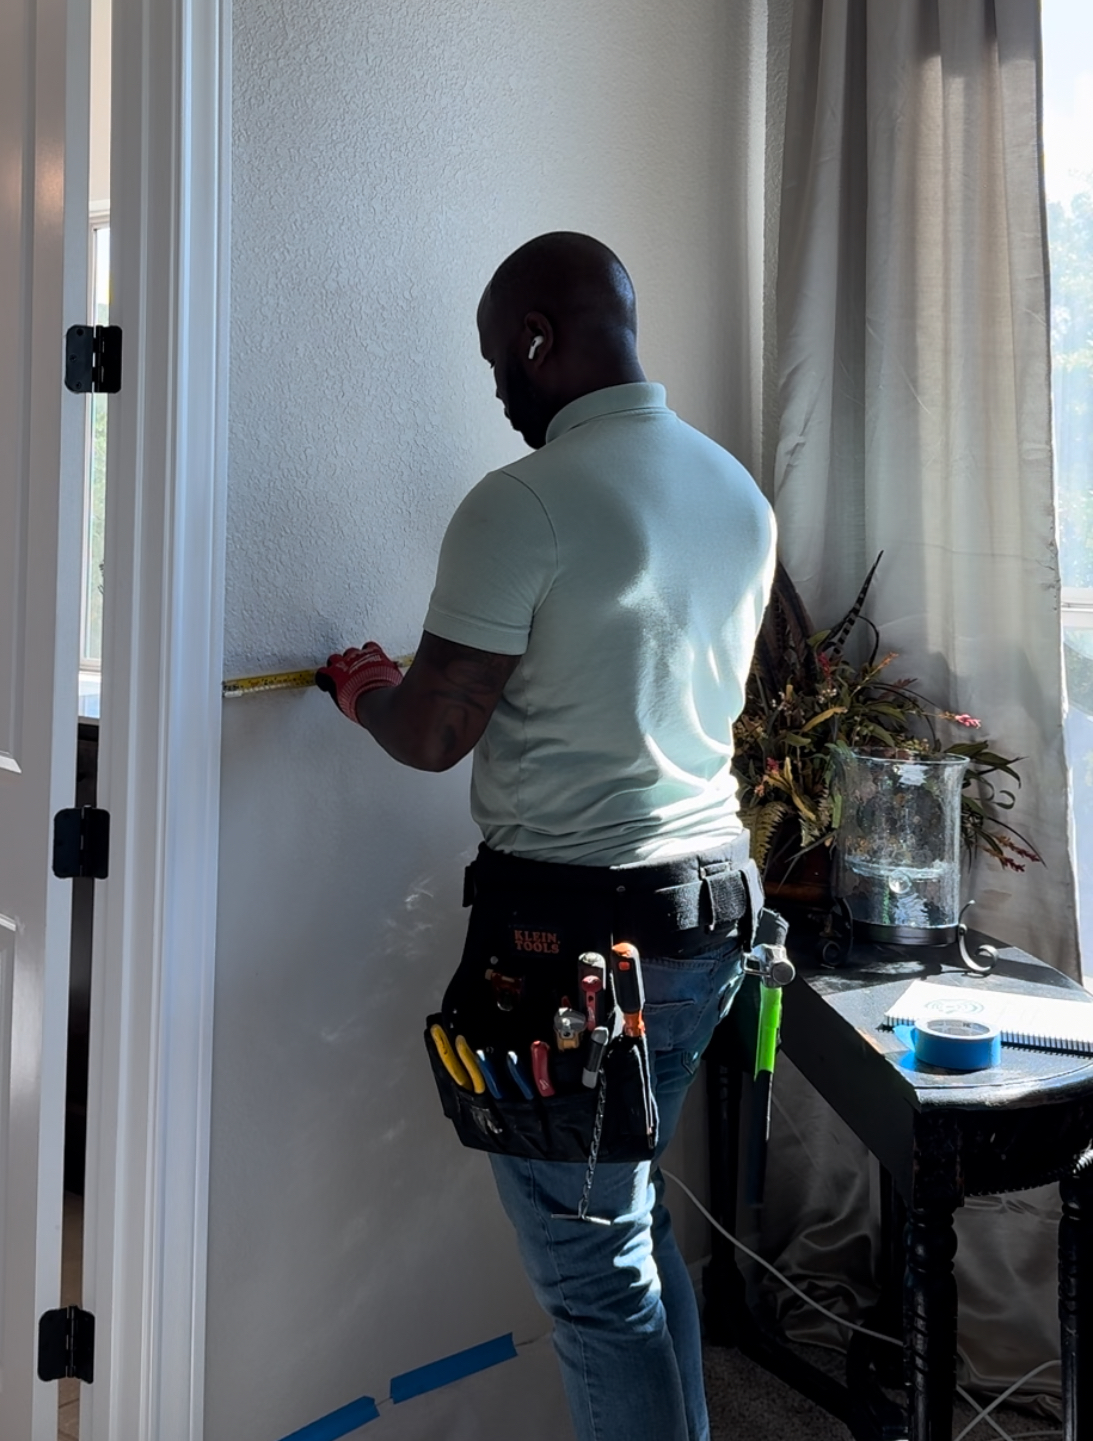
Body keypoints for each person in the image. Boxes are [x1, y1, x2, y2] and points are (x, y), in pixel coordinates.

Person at [318, 231, 776, 1441]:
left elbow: (433, 732)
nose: (502, 396)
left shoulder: (524, 500)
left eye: (496, 366)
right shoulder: (736, 488)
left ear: (536, 338)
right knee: (626, 1233)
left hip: (576, 943)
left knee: (593, 1283)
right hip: (711, 921)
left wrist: (363, 684)